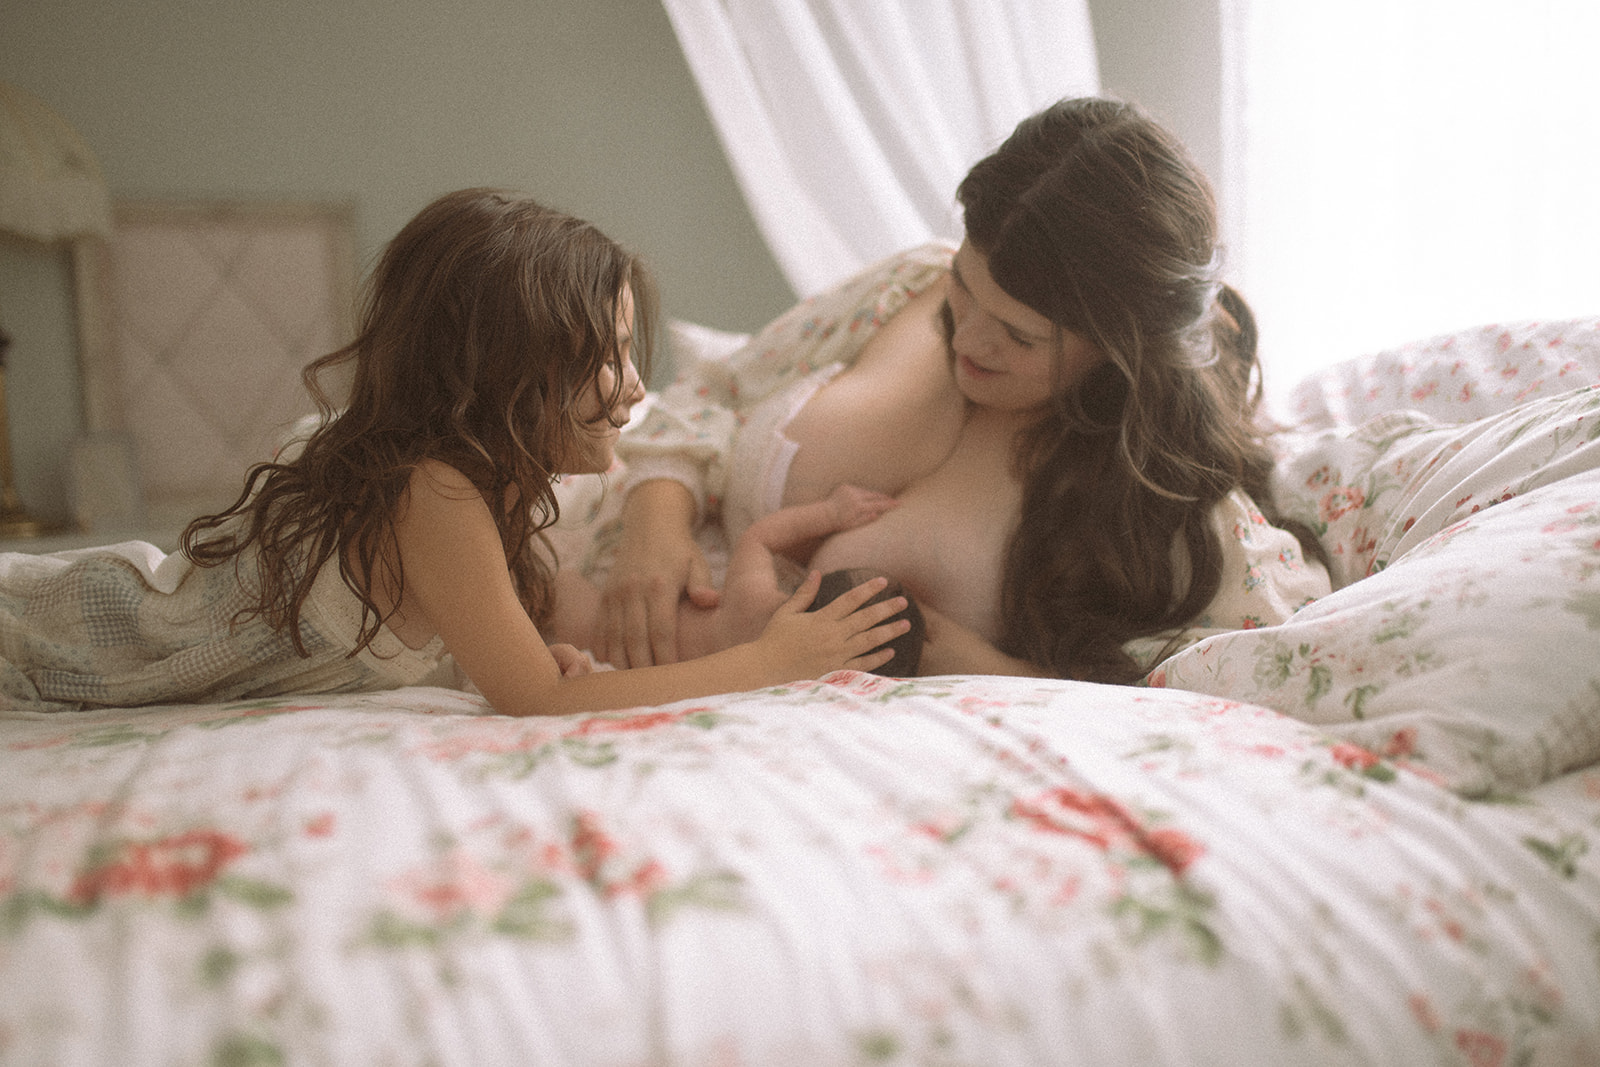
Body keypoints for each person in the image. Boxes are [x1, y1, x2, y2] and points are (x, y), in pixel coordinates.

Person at [0, 189, 909, 714]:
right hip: (83, 637)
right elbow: (534, 704)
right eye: (611, 357)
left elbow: (484, 658)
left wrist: (539, 658)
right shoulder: (433, 490)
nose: (637, 389)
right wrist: (771, 664)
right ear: (507, 376)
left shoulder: (477, 492)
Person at [597, 98, 1332, 683]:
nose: (969, 340)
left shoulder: (1155, 496)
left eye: (1017, 335)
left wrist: (987, 666)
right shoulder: (910, 285)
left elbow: (1267, 659)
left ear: (1119, 351)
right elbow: (715, 388)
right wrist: (656, 520)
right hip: (592, 565)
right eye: (964, 288)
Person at [551, 484, 927, 676]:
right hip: (624, 654)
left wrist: (829, 513)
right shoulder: (791, 673)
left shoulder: (758, 603)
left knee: (558, 594)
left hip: (614, 635)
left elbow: (759, 537)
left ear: (811, 585)